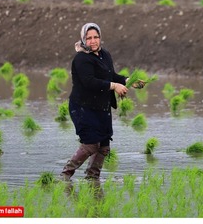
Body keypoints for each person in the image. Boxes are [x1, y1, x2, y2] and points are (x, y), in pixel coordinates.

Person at [60, 22, 145, 182]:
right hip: (83, 108)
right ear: (83, 39)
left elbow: (110, 76)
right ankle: (65, 175)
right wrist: (114, 86)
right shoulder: (81, 59)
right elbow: (89, 82)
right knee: (91, 144)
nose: (93, 41)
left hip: (101, 107)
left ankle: (92, 179)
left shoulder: (104, 55)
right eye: (89, 38)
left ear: (100, 38)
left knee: (104, 146)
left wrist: (128, 81)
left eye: (96, 37)